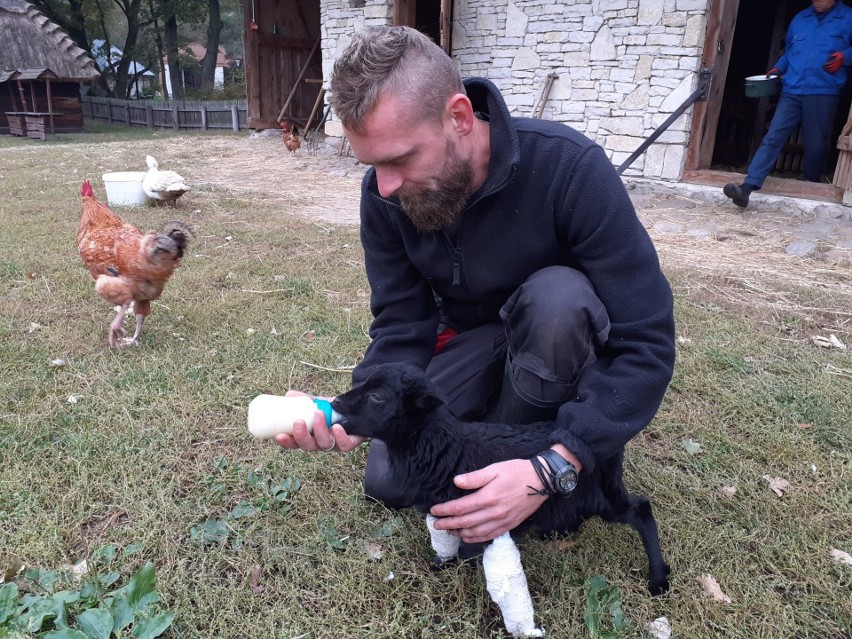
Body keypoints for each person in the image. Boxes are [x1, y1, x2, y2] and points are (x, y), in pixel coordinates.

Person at [275, 25, 675, 548]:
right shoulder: (385, 196)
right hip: (471, 343)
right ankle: (490, 430)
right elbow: (401, 321)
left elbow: (646, 343)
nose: (385, 185)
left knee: (559, 298)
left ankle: (531, 455)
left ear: (460, 118)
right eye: (373, 165)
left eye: (399, 159)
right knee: (388, 479)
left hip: (557, 344)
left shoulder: (571, 170)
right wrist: (348, 410)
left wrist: (556, 464)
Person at [724, 0, 852, 208]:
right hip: (792, 90)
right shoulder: (801, 19)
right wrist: (777, 68)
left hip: (823, 91)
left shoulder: (848, 18)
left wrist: (845, 57)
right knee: (773, 136)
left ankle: (812, 187)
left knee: (815, 145)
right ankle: (747, 188)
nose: (817, 3)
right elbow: (790, 53)